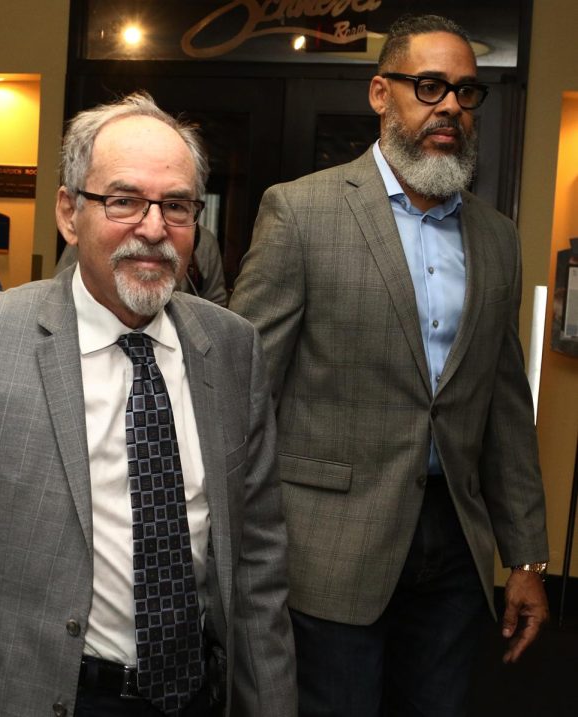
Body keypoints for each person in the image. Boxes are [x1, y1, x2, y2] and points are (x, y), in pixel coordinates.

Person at [0, 92, 296, 716]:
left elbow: (258, 571)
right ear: (69, 212)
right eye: (123, 200)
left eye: (175, 205)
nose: (152, 228)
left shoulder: (231, 349)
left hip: (193, 695)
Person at [230, 14, 549, 716]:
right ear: (380, 93)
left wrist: (526, 557)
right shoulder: (301, 213)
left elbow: (504, 409)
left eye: (467, 93)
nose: (450, 108)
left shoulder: (496, 238)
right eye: (429, 86)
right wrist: (236, 547)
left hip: (453, 550)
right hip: (327, 551)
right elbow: (244, 391)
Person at [55, 223, 228, 306]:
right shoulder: (90, 241)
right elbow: (62, 292)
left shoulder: (205, 243)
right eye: (125, 202)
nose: (153, 232)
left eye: (174, 206)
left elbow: (217, 300)